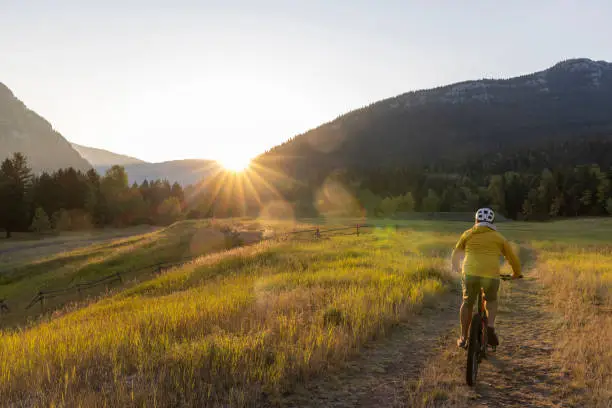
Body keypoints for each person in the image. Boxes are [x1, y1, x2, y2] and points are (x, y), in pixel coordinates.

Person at [452, 208, 522, 349]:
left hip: (470, 273)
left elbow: (456, 253)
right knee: (491, 300)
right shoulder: (499, 238)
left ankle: (464, 338)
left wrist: (457, 267)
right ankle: (489, 327)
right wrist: (516, 273)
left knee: (467, 303)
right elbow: (512, 258)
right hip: (491, 275)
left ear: (476, 221)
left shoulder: (468, 234)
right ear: (492, 222)